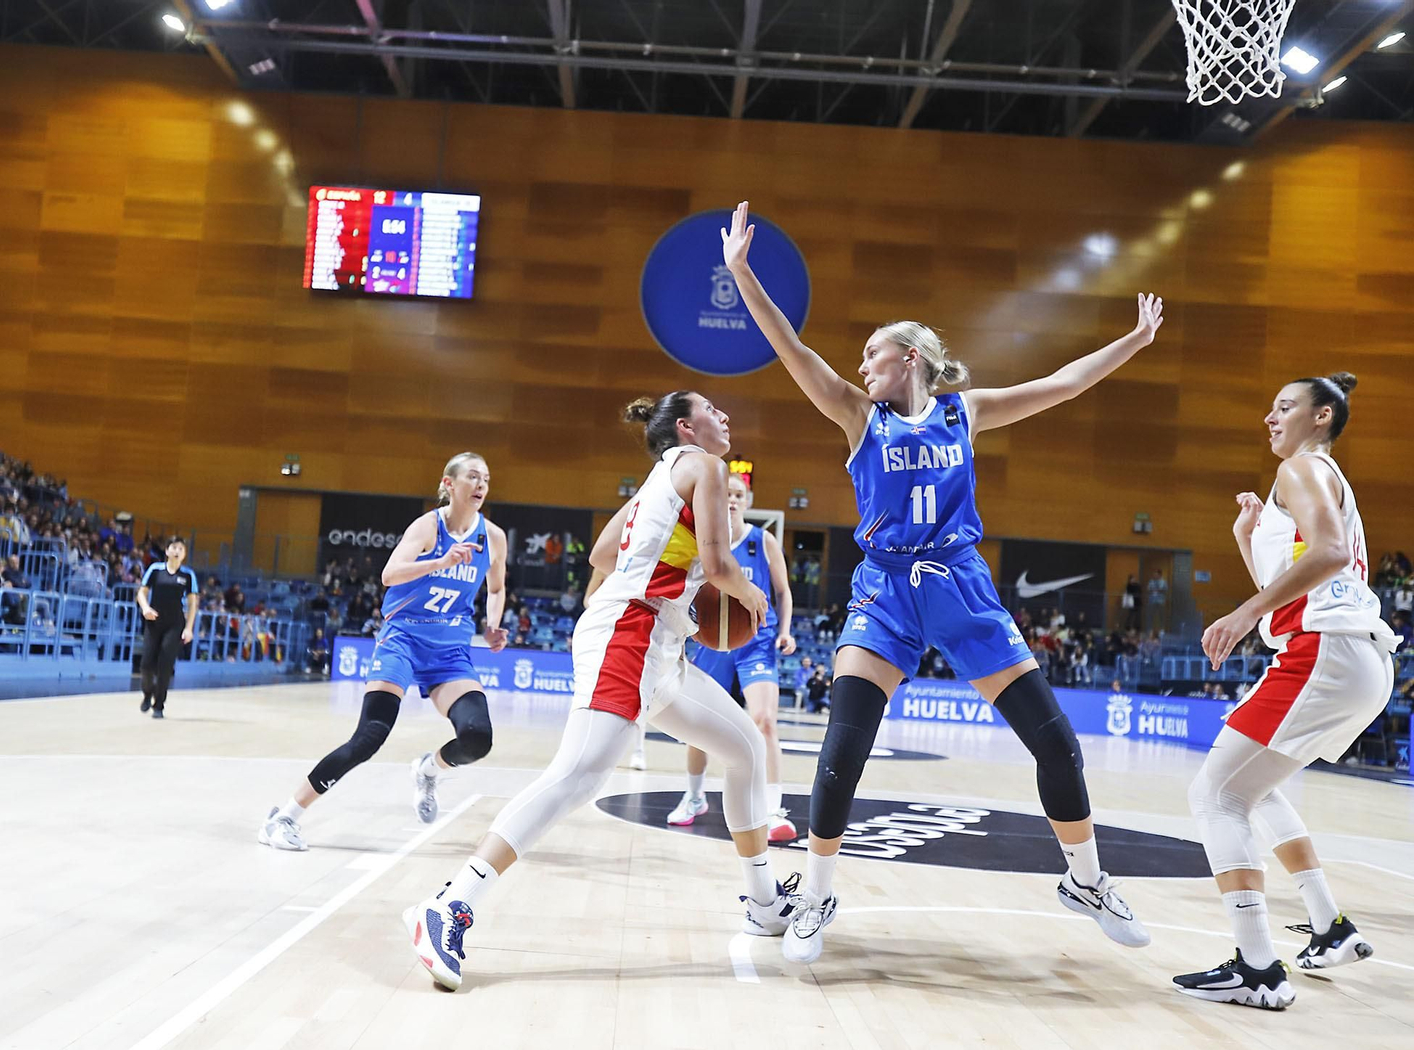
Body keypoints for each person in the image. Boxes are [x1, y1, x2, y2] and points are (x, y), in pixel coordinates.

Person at [722, 200, 1158, 963]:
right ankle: (816, 893)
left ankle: (1087, 880)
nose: (861, 366)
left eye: (873, 354)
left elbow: (1063, 384)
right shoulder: (858, 416)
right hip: (886, 591)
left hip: (961, 588)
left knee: (1058, 745)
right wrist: (741, 273)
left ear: (911, 358)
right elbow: (789, 344)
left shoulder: (965, 414)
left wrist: (1134, 338)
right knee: (842, 749)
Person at [405, 392, 794, 991]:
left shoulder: (660, 478)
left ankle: (764, 903)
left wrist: (668, 587)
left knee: (744, 746)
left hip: (656, 642)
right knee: (578, 776)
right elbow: (719, 566)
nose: (724, 416)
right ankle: (449, 905)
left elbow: (602, 553)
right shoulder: (706, 466)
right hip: (630, 633)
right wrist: (746, 592)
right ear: (686, 427)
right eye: (712, 410)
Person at [1174, 373, 1401, 1009]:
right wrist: (1247, 538)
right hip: (1353, 658)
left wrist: (1242, 613)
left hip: (1324, 652)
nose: (1270, 419)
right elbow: (1300, 579)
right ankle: (1329, 927)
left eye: (1284, 407)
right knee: (1254, 788)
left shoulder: (1301, 469)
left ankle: (1257, 967)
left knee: (1215, 795)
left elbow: (1328, 553)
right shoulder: (1318, 479)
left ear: (1322, 416)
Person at [260, 453, 509, 850]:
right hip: (403, 640)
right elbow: (389, 575)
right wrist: (440, 561)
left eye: (486, 479)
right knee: (369, 737)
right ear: (449, 483)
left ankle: (428, 770)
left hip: (450, 651)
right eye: (473, 477)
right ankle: (284, 817)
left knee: (478, 738)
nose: (481, 485)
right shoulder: (428, 527)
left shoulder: (493, 537)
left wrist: (492, 624)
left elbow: (496, 588)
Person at [669, 473, 799, 842]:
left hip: (757, 642)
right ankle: (694, 797)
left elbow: (783, 592)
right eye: (726, 494)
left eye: (738, 495)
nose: (731, 500)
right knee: (698, 728)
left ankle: (772, 809)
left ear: (748, 500)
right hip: (710, 643)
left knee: (765, 721)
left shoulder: (763, 541)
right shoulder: (704, 541)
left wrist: (785, 630)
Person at [135, 537, 199, 719]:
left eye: (181, 549)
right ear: (167, 551)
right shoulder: (155, 570)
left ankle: (159, 705)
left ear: (184, 554)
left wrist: (189, 628)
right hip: (154, 622)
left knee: (165, 665)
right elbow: (142, 592)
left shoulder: (188, 575)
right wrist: (145, 608)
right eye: (174, 547)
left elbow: (192, 604)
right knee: (146, 664)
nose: (177, 551)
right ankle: (147, 693)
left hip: (175, 624)